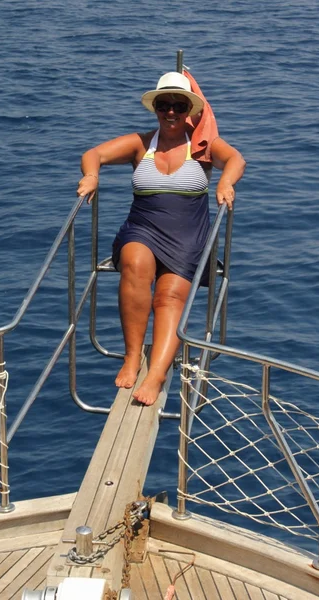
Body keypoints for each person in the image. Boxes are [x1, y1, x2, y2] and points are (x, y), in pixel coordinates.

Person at [77, 71, 246, 406]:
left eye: (178, 105)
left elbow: (236, 159)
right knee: (134, 263)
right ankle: (131, 355)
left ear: (189, 110)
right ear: (155, 107)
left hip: (187, 235)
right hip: (143, 227)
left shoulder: (203, 146)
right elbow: (93, 153)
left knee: (169, 297)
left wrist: (225, 182)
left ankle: (156, 374)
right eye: (164, 104)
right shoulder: (141, 143)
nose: (171, 111)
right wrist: (92, 176)